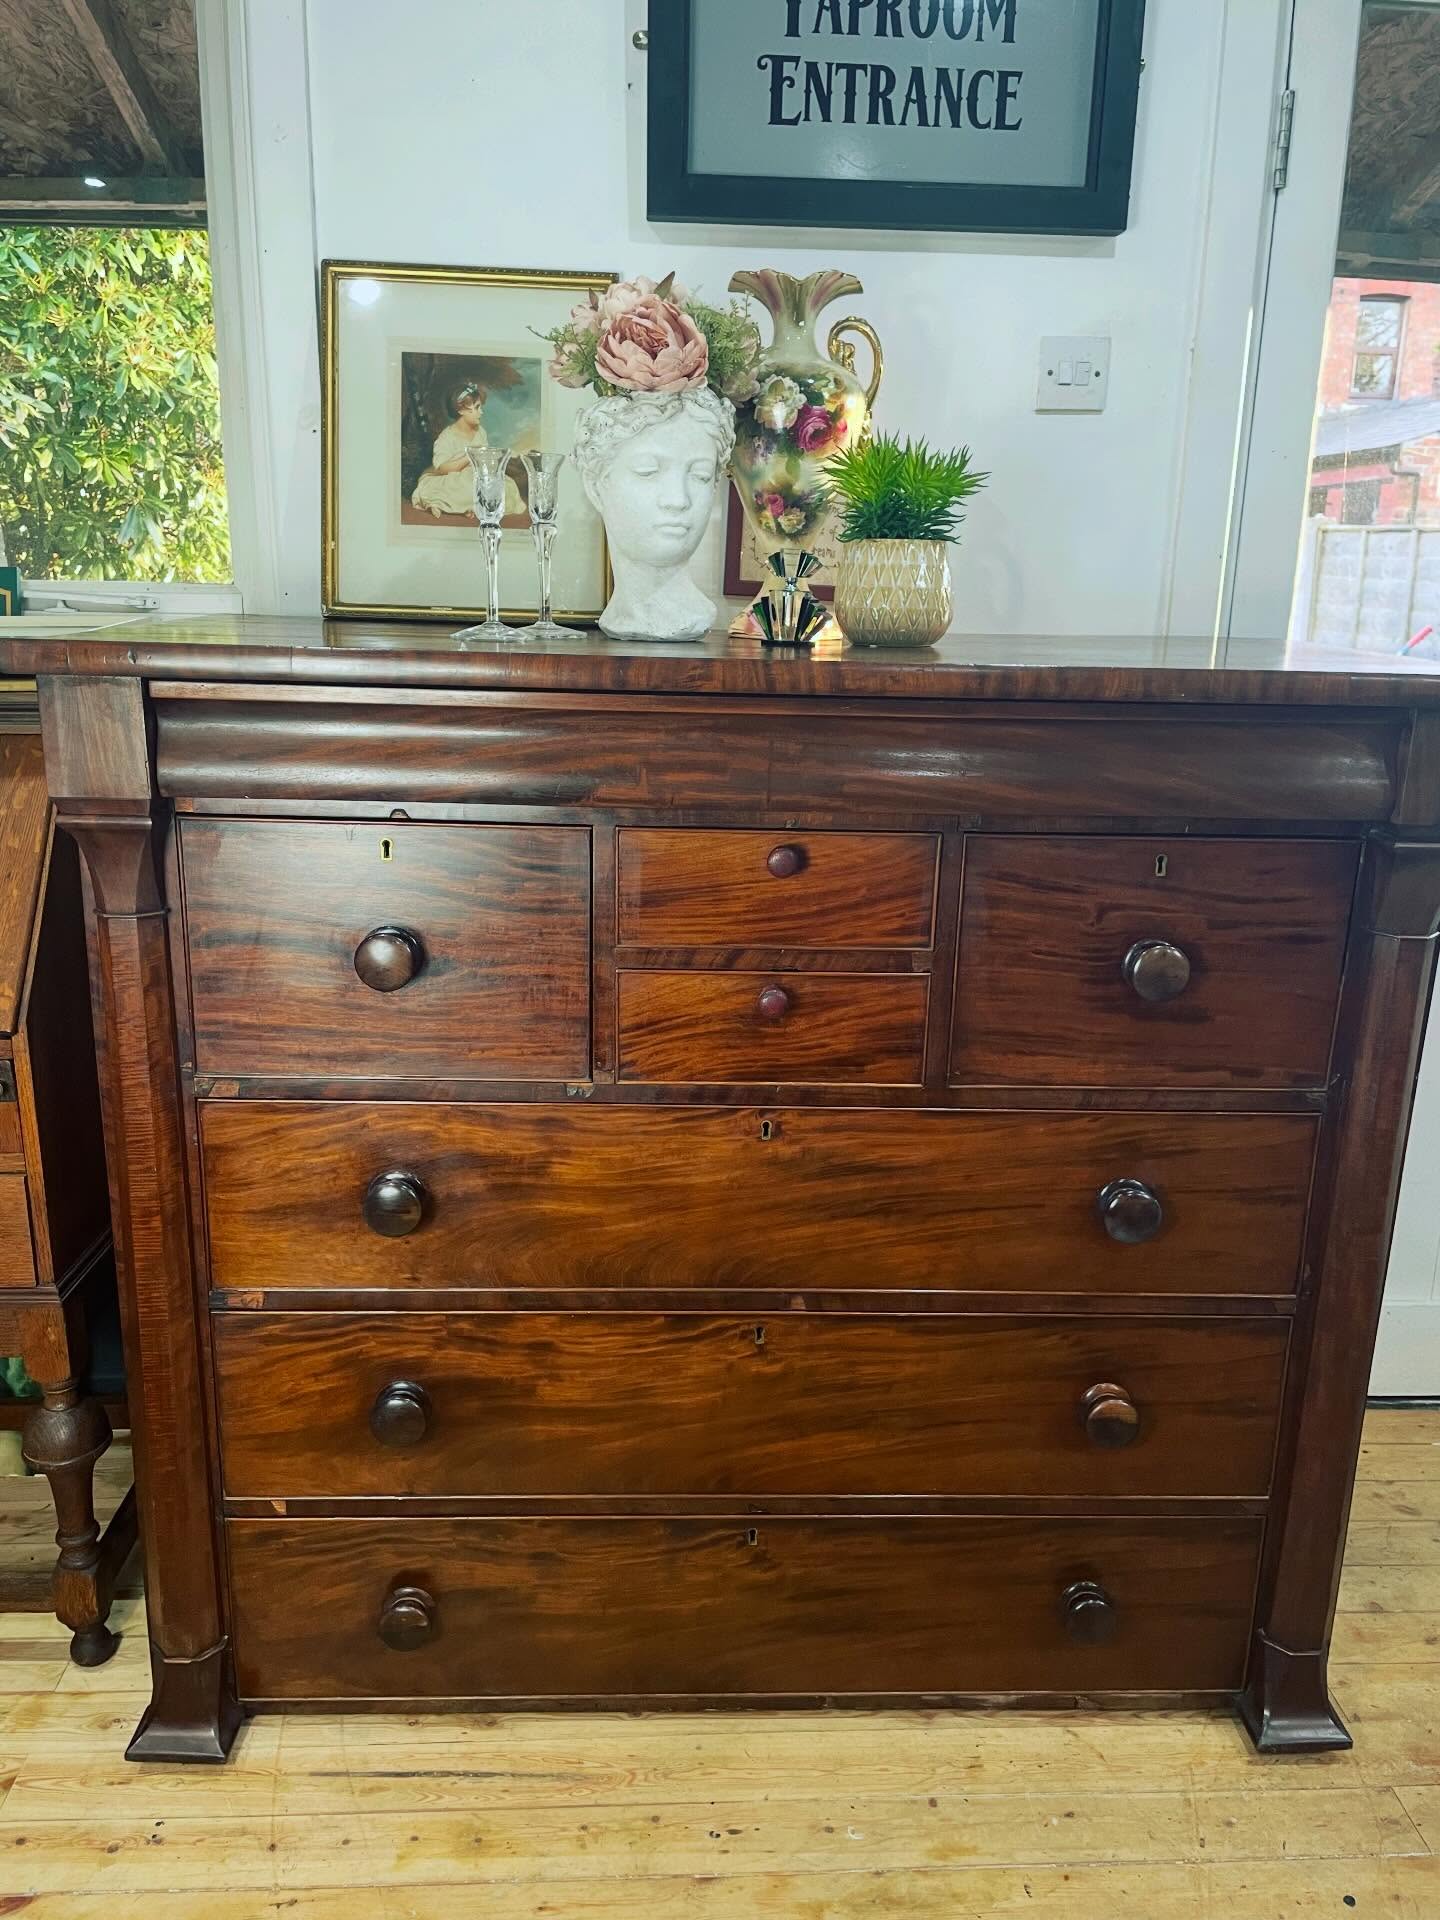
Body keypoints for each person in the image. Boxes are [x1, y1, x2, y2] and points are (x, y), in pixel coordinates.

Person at [411, 382, 522, 519]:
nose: (481, 412)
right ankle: (440, 503)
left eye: (480, 407)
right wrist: (469, 456)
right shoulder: (447, 437)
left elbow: (483, 461)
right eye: (476, 408)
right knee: (466, 487)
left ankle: (467, 507)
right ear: (461, 410)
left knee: (505, 486)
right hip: (450, 477)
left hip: (474, 475)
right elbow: (442, 468)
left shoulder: (480, 432)